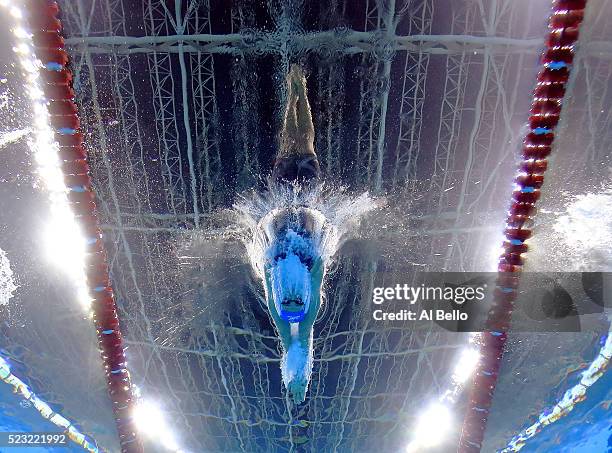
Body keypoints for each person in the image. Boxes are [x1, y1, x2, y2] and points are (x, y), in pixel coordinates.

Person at [262, 65, 325, 403]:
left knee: (304, 143)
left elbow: (296, 346)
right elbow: (295, 345)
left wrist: (297, 381)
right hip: (287, 209)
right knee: (295, 143)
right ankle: (295, 90)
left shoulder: (299, 315)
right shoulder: (285, 313)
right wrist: (296, 381)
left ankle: (297, 90)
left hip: (302, 205)